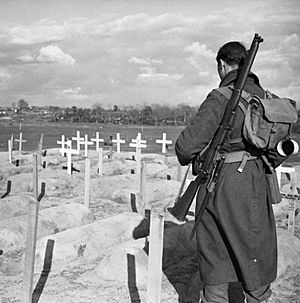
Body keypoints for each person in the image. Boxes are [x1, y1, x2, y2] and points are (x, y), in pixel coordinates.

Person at [175, 41, 287, 303]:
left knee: (215, 258)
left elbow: (186, 147)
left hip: (219, 185)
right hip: (256, 182)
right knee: (255, 250)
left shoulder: (221, 97)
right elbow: (278, 150)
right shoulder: (267, 99)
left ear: (222, 65)